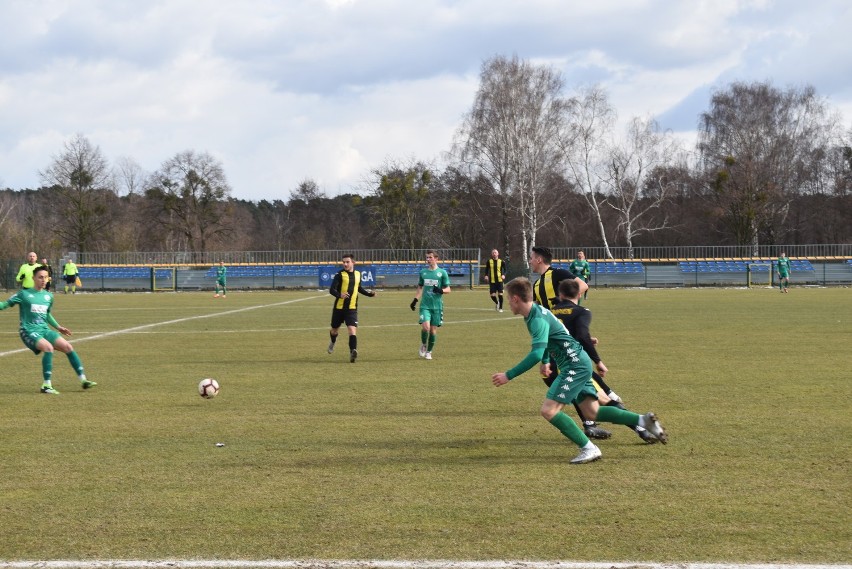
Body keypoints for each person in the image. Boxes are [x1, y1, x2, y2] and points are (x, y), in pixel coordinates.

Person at [491, 277, 667, 464]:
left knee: (549, 411)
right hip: (578, 362)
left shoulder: (536, 320)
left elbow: (535, 354)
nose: (508, 302)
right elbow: (548, 341)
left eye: (509, 298)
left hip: (573, 365)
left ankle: (589, 448)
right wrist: (545, 361)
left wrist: (508, 375)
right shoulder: (536, 312)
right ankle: (642, 421)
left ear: (516, 298)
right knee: (592, 412)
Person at [552, 278, 656, 443]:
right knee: (608, 399)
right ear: (579, 294)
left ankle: (635, 426)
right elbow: (581, 335)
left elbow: (562, 337)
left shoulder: (551, 313)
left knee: (597, 403)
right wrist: (598, 360)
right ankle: (641, 426)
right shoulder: (581, 311)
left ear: (560, 294)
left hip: (562, 365)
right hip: (577, 366)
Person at [528, 246, 608, 439]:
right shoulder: (537, 285)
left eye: (531, 258)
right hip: (556, 342)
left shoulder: (559, 273)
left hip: (566, 341)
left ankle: (630, 420)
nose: (529, 261)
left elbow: (582, 285)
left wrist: (567, 310)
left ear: (539, 259)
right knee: (570, 380)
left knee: (583, 382)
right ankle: (595, 420)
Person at [0, 265, 96, 394]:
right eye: (40, 277)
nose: (43, 280)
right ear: (33, 278)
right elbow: (4, 305)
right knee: (48, 348)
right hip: (28, 330)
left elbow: (47, 314)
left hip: (44, 330)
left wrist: (58, 327)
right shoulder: (24, 294)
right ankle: (46, 385)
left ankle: (83, 380)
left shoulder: (48, 296)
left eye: (45, 277)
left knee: (68, 347)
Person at [327, 253, 377, 363]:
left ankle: (352, 352)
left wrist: (369, 294)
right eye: (343, 262)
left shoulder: (358, 274)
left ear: (353, 262)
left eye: (347, 262)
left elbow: (358, 288)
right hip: (339, 308)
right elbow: (331, 290)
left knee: (352, 330)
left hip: (352, 308)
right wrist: (340, 295)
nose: (345, 264)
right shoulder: (339, 275)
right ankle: (333, 341)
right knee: (334, 330)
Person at [409, 250, 451, 360]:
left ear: (436, 259)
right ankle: (423, 345)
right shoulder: (423, 272)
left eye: (430, 257)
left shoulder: (442, 273)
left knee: (433, 330)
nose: (428, 260)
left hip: (437, 306)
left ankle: (429, 351)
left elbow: (448, 289)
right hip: (425, 305)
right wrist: (415, 300)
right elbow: (420, 287)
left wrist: (441, 291)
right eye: (427, 257)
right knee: (426, 327)